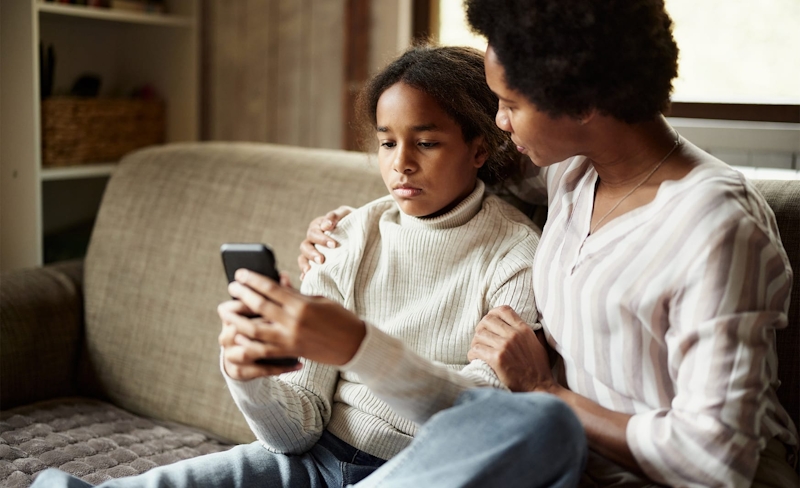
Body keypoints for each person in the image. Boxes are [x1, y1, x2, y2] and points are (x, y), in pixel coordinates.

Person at [31, 45, 586, 488]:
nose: (401, 164)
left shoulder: (515, 255)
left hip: (420, 471)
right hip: (312, 459)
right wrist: (251, 380)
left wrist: (358, 345)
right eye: (387, 143)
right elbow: (294, 434)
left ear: (479, 150)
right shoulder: (349, 236)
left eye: (426, 142)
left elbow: (486, 422)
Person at [300, 1, 799, 487]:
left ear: (582, 103)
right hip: (560, 460)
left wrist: (544, 391)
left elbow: (714, 460)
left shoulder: (718, 226)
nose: (500, 121)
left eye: (511, 105)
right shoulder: (571, 171)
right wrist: (348, 231)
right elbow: (442, 162)